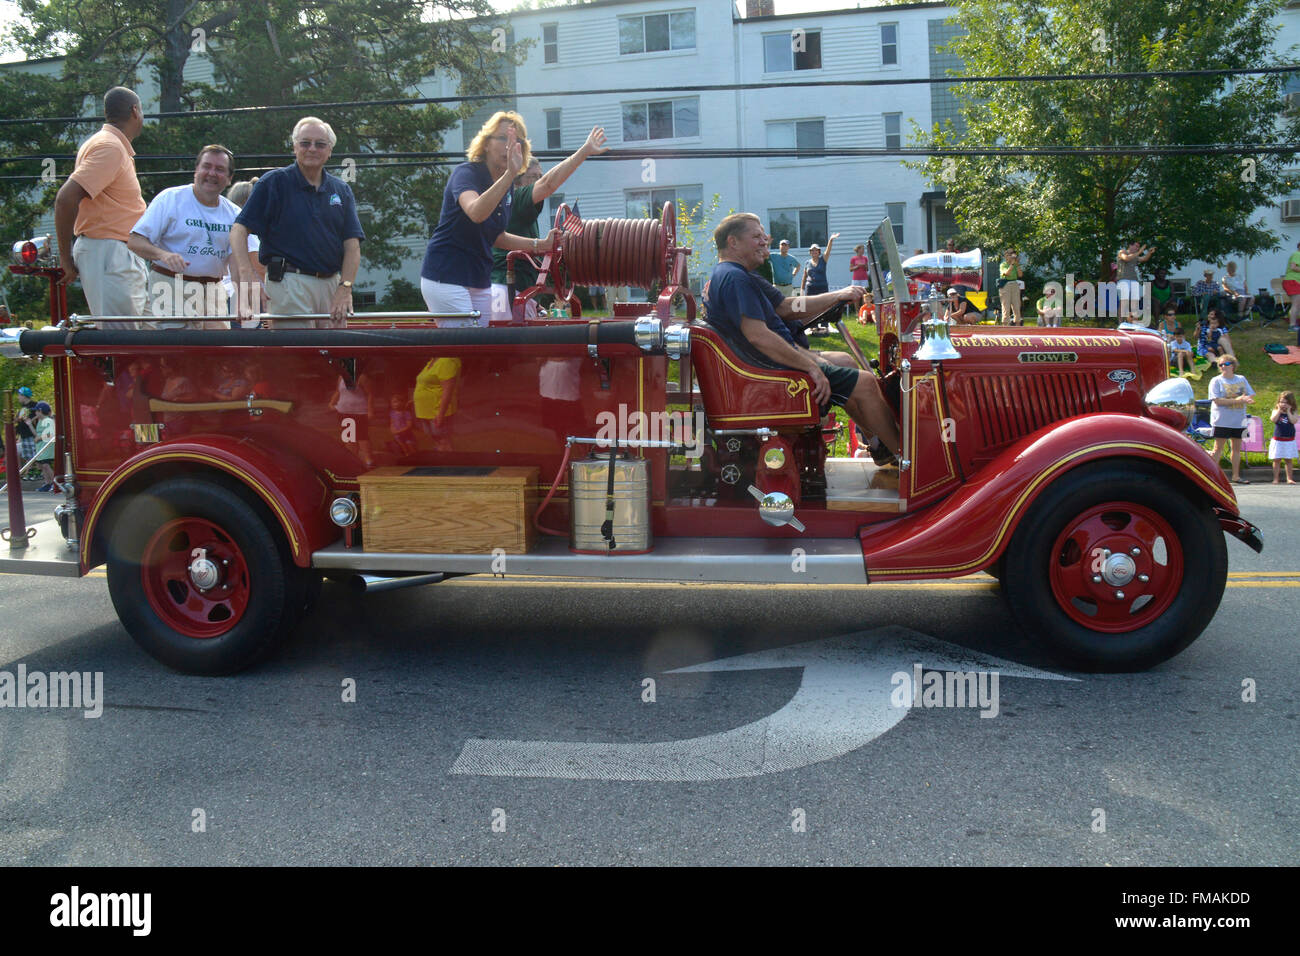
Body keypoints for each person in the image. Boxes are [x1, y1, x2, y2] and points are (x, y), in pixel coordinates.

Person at [704, 213, 900, 458]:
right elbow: (758, 337)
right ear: (733, 242)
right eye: (756, 236)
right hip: (769, 370)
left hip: (764, 362)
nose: (765, 241)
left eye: (763, 236)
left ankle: (879, 445)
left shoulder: (737, 275)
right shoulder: (735, 278)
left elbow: (786, 307)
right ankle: (909, 465)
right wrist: (811, 366)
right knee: (866, 383)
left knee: (846, 362)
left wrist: (834, 299)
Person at [422, 111, 558, 328]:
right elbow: (476, 212)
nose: (510, 145)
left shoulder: (507, 188)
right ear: (486, 144)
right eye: (503, 137)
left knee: (493, 338)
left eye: (517, 141)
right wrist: (508, 176)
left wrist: (541, 245)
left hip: (479, 279)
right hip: (445, 276)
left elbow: (496, 236)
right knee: (468, 346)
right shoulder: (466, 174)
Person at [231, 116, 364, 329]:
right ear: (294, 147)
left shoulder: (341, 190)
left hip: (332, 283)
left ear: (330, 150)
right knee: (298, 357)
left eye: (320, 144)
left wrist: (345, 287)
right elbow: (238, 230)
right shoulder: (273, 183)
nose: (312, 149)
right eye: (305, 143)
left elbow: (353, 246)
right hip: (289, 282)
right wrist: (247, 274)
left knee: (336, 355)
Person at [489, 127, 608, 322]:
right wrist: (585, 151)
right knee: (518, 350)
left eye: (539, 175)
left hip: (509, 291)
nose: (538, 181)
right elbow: (548, 184)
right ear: (518, 181)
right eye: (533, 177)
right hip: (509, 291)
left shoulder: (512, 206)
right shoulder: (518, 199)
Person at [53, 86, 148, 325]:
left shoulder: (109, 145)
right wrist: (65, 258)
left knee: (138, 337)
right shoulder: (110, 147)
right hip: (109, 252)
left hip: (115, 252)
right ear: (135, 111)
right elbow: (65, 198)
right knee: (124, 343)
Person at [127, 145, 242, 330]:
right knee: (176, 351)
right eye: (206, 166)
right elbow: (134, 241)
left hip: (213, 291)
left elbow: (236, 262)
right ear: (196, 170)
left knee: (217, 353)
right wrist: (163, 255)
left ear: (229, 179)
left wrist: (242, 298)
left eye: (220, 169)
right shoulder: (171, 198)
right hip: (170, 286)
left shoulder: (234, 213)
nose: (212, 173)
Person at [223, 179, 267, 324]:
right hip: (247, 297)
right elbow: (259, 268)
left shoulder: (227, 224)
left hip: (227, 292)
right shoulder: (245, 231)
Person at [1207, 354, 1255, 484]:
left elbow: (1249, 394)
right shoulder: (1216, 381)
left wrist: (1248, 400)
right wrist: (1237, 400)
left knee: (1236, 449)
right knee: (1218, 448)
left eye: (1226, 364)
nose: (1223, 367)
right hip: (1222, 420)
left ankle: (1236, 476)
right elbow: (1217, 401)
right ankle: (1213, 477)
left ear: (1233, 365)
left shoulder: (1241, 379)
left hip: (1238, 420)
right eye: (1220, 365)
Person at [801, 233, 838, 334]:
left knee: (824, 306)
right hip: (810, 288)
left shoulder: (823, 259)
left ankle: (825, 325)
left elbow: (828, 250)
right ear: (810, 252)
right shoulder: (807, 262)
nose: (814, 252)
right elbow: (804, 276)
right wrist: (802, 289)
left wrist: (830, 240)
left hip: (822, 287)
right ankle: (813, 326)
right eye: (812, 250)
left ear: (819, 252)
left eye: (816, 250)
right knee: (811, 307)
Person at [1116, 239, 1154, 314]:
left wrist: (1149, 252)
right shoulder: (1122, 252)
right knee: (1124, 303)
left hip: (1134, 280)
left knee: (1135, 303)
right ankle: (1120, 323)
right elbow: (1126, 258)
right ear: (1130, 245)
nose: (1137, 248)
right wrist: (1139, 252)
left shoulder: (1135, 256)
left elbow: (1144, 259)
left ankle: (1133, 322)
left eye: (1138, 247)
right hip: (1123, 280)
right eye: (1136, 246)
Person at [1269, 391, 1297, 484]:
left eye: (1286, 402)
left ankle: (1289, 478)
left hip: (1289, 440)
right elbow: (1273, 419)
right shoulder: (1276, 411)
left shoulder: (1293, 412)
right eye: (1281, 402)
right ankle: (1276, 478)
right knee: (1277, 460)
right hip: (1278, 440)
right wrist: (1279, 411)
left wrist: (1288, 411)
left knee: (1288, 460)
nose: (1283, 404)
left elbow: (1293, 421)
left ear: (1291, 403)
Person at [31, 402, 60, 492]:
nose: (35, 413)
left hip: (47, 445)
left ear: (40, 411)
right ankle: (47, 483)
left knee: (46, 465)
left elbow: (51, 434)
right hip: (40, 446)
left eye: (36, 411)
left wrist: (39, 438)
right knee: (41, 465)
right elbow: (37, 434)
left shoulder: (48, 420)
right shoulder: (40, 421)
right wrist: (29, 424)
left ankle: (55, 484)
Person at [998, 248, 1024, 325]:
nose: (1012, 256)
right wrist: (1012, 264)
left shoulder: (1015, 264)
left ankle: (1018, 323)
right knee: (1006, 305)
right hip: (1006, 285)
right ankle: (1005, 324)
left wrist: (1017, 264)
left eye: (1013, 254)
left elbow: (1020, 275)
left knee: (1016, 305)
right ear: (1005, 256)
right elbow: (1007, 273)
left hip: (1015, 284)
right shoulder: (1003, 264)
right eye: (1010, 254)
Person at [14, 386, 38, 465]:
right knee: (28, 457)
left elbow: (41, 416)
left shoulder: (35, 405)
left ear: (24, 396)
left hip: (32, 435)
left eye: (19, 395)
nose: (18, 397)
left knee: (35, 457)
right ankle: (30, 473)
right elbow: (19, 421)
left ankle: (37, 474)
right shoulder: (22, 408)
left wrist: (32, 419)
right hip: (24, 436)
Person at [1284, 239, 1300, 330]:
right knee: (1296, 304)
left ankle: (1295, 323)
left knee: (1298, 304)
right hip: (1292, 282)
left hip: (1295, 282)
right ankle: (1292, 325)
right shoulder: (1297, 254)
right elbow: (1293, 267)